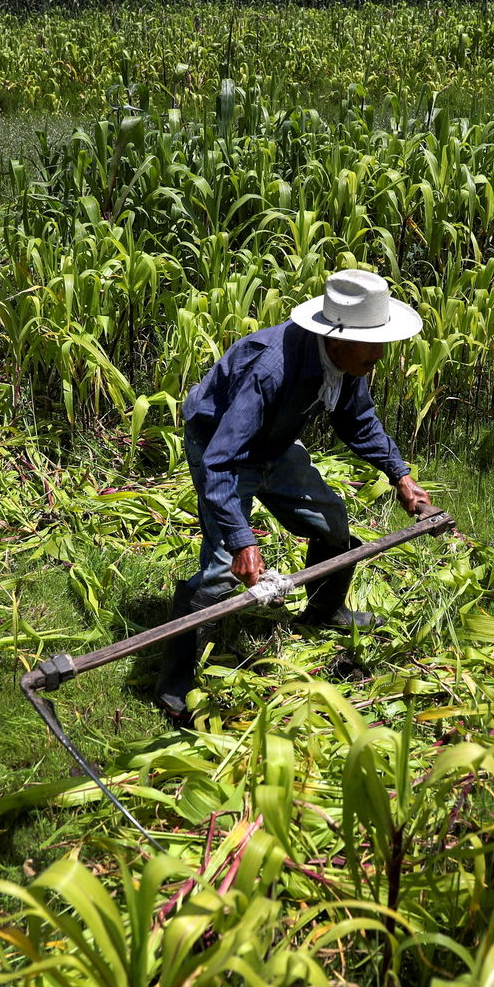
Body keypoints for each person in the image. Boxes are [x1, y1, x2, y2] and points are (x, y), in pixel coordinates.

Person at [153, 269, 434, 725]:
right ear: (338, 338)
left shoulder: (348, 362)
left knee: (332, 523)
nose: (380, 355)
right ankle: (174, 685)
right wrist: (243, 539)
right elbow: (222, 460)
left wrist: (399, 474)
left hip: (274, 446)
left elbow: (357, 420)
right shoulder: (270, 369)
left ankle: (324, 612)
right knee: (222, 568)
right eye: (373, 343)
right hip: (221, 446)